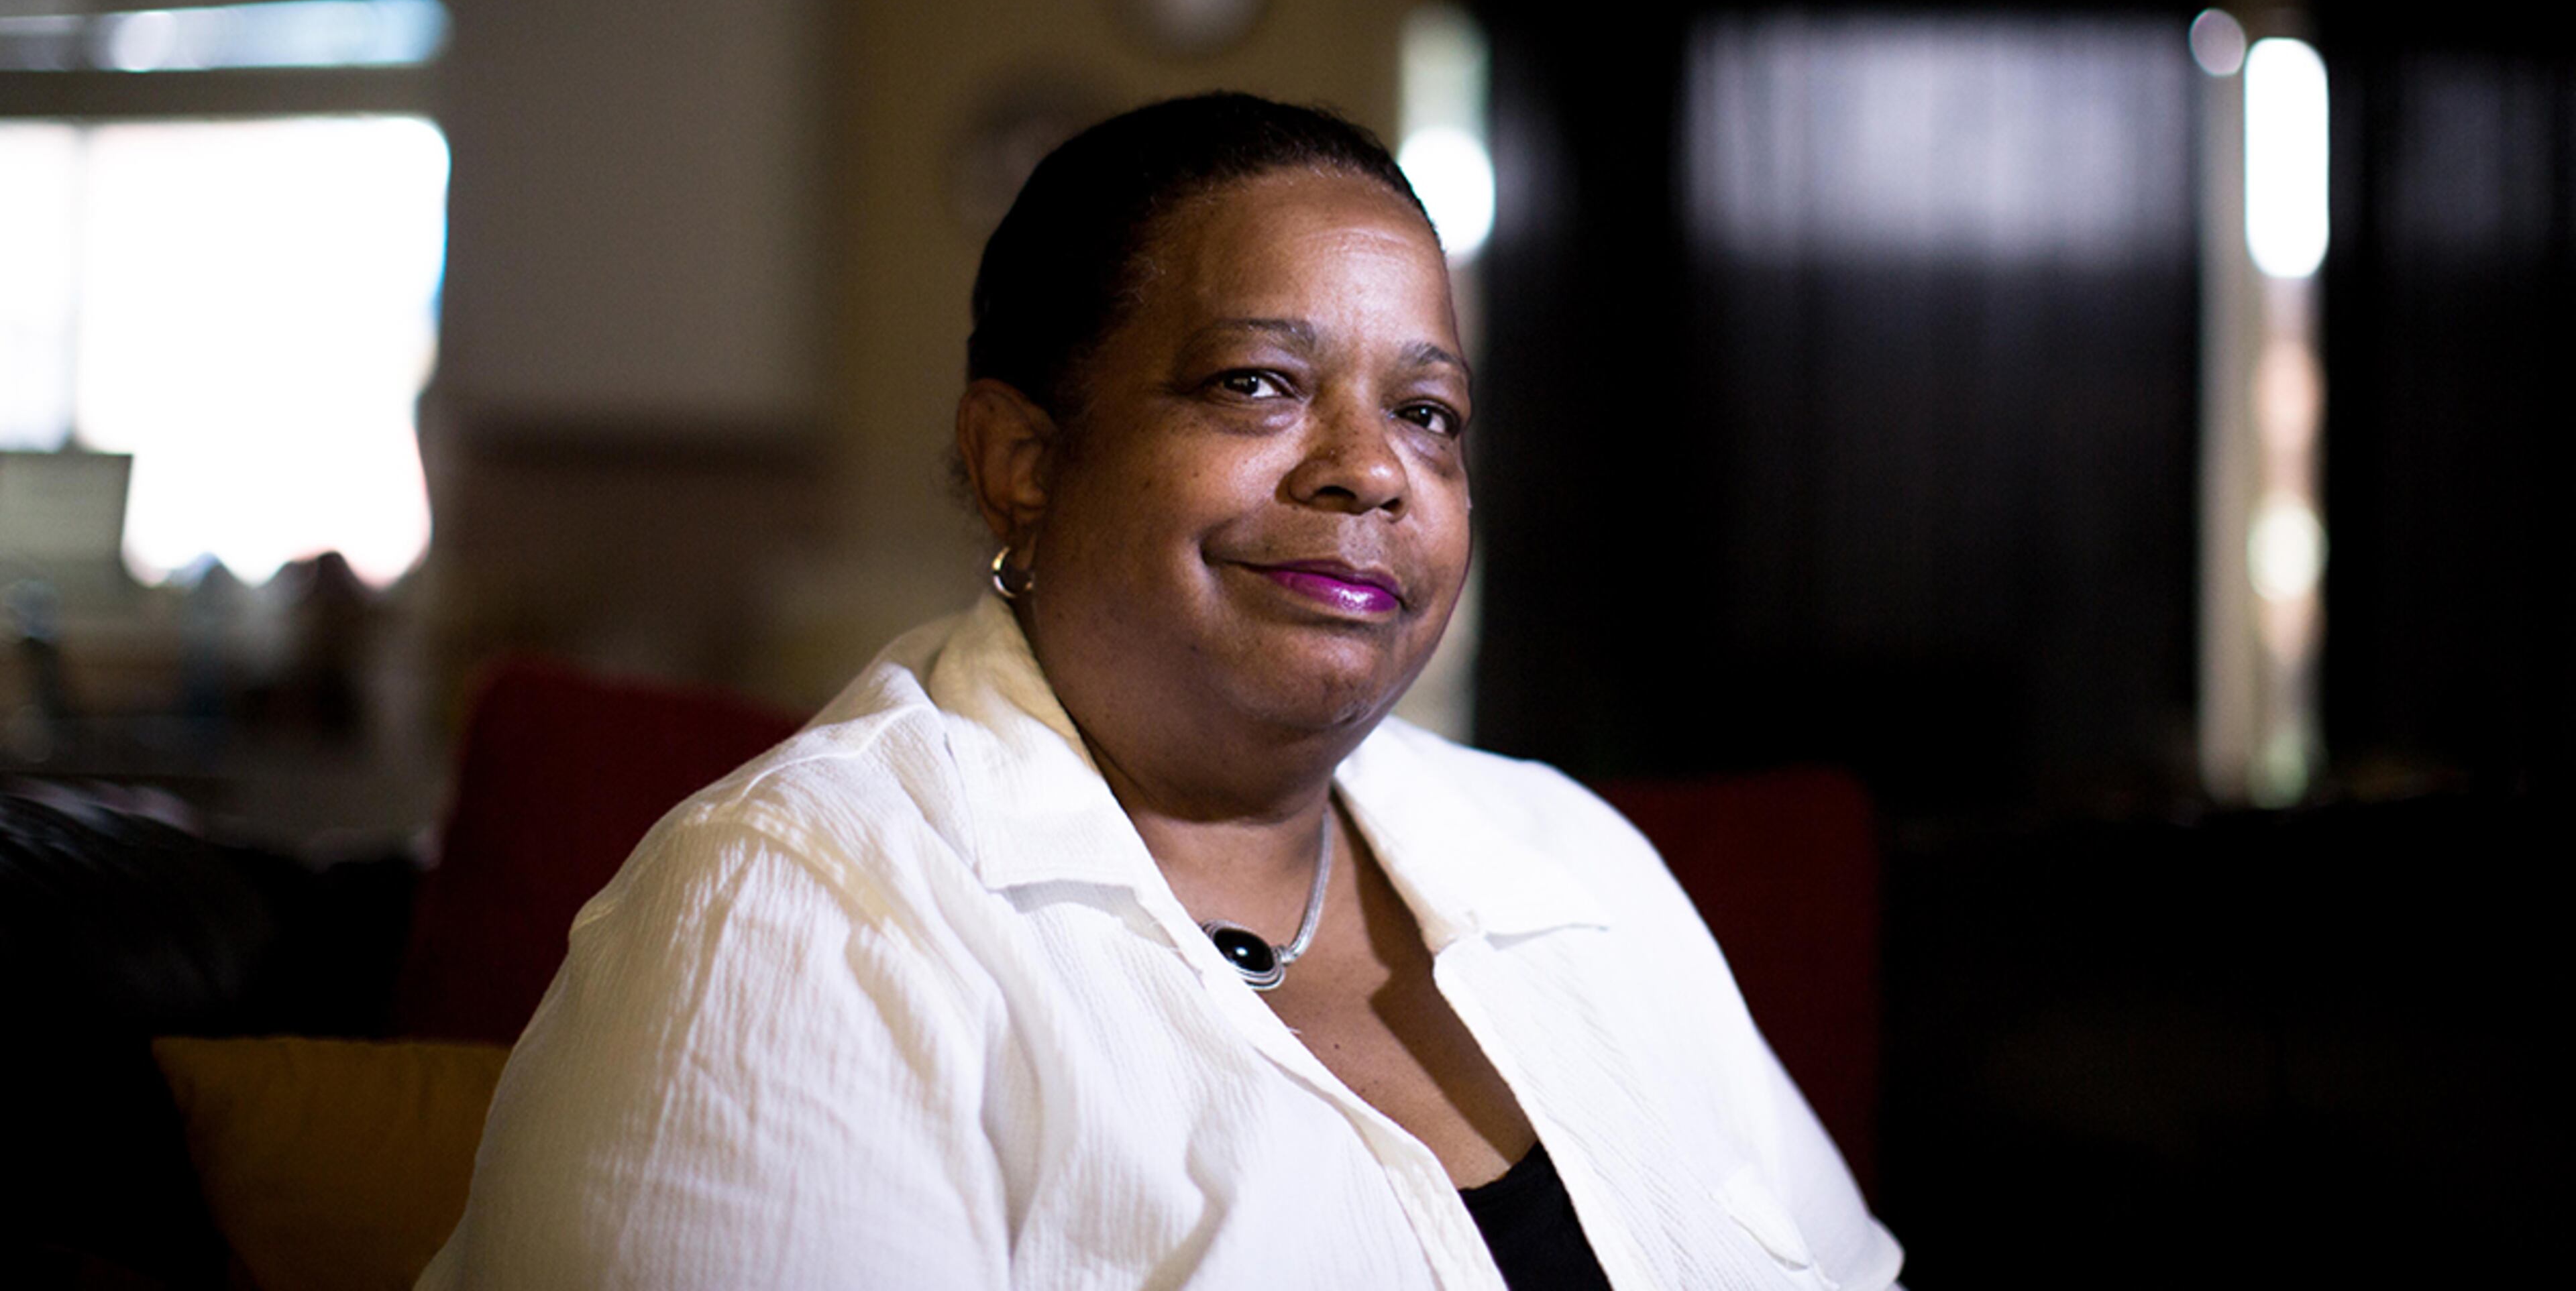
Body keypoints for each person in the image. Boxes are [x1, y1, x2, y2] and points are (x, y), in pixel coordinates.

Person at [420, 93, 1902, 1290]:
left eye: (1428, 412)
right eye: (1258, 382)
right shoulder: (801, 915)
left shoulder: (1574, 867)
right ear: (1022, 461)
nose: (1371, 469)